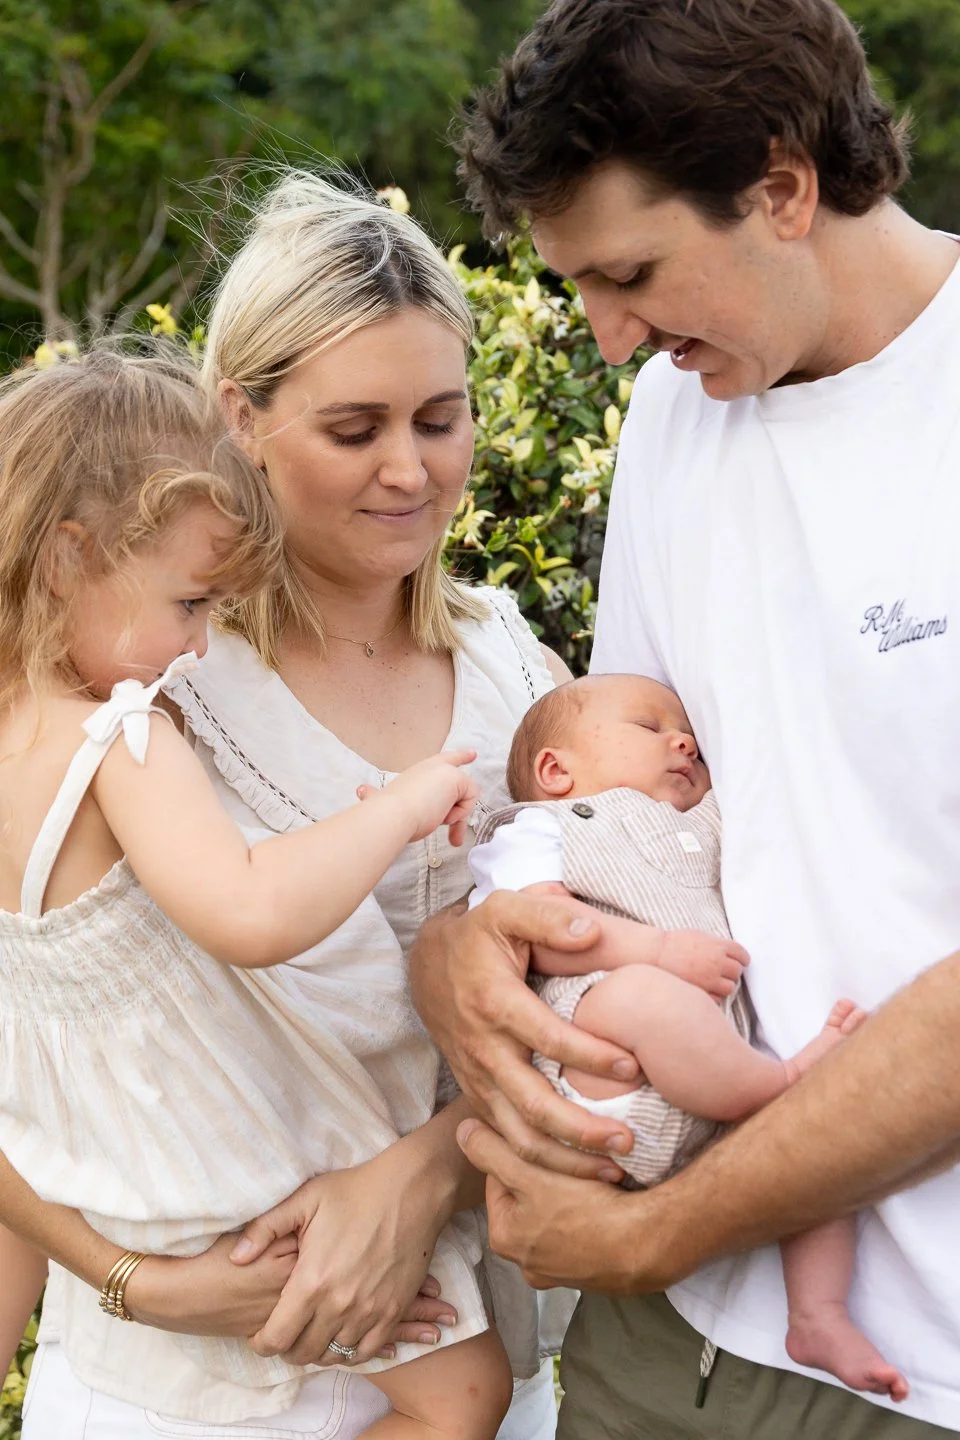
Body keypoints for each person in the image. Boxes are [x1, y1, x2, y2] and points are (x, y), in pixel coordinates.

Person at [407, 0, 960, 1434]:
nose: (605, 340)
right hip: (664, 1342)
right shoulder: (678, 410)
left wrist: (666, 1231)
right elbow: (633, 808)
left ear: (782, 187)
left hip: (916, 1370)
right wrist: (471, 957)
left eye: (632, 273)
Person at [0, 170, 578, 1440]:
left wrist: (425, 1175)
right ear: (237, 416)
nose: (409, 470)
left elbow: (611, 1000)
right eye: (354, 427)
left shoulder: (523, 679)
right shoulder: (138, 682)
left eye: (441, 418)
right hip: (174, 1392)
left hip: (472, 1367)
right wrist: (138, 1280)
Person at [468, 671, 905, 1400]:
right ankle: (785, 1082)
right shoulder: (538, 830)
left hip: (707, 1086)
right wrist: (656, 953)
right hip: (601, 1066)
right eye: (650, 728)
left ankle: (817, 1313)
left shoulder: (703, 822)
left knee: (815, 1158)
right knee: (641, 994)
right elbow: (537, 933)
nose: (683, 742)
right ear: (556, 770)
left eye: (691, 741)